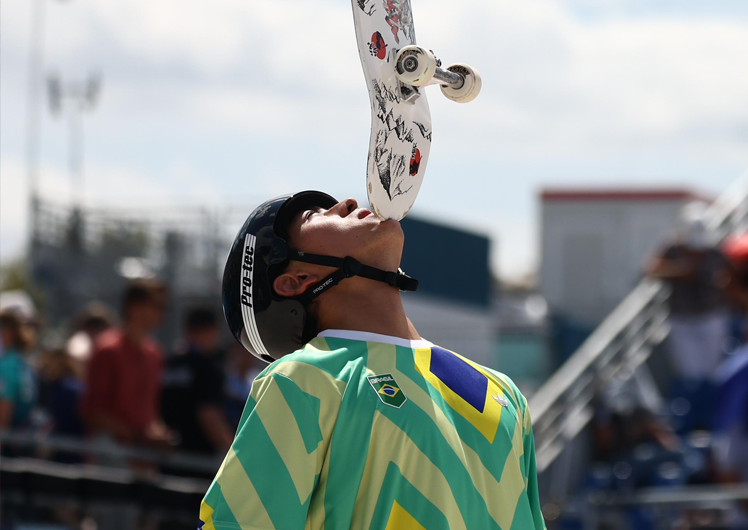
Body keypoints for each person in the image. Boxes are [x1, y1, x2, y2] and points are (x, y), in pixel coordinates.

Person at [200, 191, 545, 530]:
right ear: (296, 282)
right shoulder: (303, 380)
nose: (347, 203)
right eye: (313, 216)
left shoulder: (504, 391)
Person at [80, 277, 172, 450]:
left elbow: (148, 410)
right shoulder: (107, 350)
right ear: (134, 306)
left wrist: (157, 432)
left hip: (143, 458)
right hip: (111, 458)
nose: (162, 313)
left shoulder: (154, 354)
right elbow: (92, 411)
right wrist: (137, 436)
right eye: (157, 306)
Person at [646, 208, 730, 382]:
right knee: (688, 371)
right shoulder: (672, 249)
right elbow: (651, 269)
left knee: (712, 369)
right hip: (680, 317)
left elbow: (731, 278)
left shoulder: (715, 253)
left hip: (710, 315)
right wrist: (681, 271)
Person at [161, 306, 234, 458]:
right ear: (212, 330)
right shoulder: (208, 367)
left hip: (165, 454)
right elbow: (209, 415)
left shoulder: (169, 363)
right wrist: (237, 456)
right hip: (199, 460)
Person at [0, 310, 38, 432]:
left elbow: (3, 417)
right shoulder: (21, 361)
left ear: (9, 333)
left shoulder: (6, 365)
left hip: (10, 442)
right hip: (22, 438)